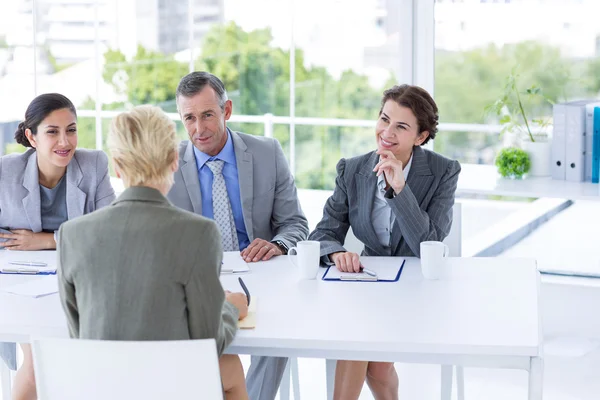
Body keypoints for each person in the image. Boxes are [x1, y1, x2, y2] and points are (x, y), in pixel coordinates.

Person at [56, 105, 249, 399]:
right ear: (174, 160)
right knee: (230, 368)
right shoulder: (199, 232)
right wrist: (231, 308)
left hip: (103, 388)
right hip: (170, 388)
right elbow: (209, 343)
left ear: (116, 166)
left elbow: (80, 335)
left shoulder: (72, 234)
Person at [308, 84, 461, 400]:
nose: (386, 132)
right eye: (384, 119)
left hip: (420, 288)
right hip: (368, 284)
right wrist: (337, 252)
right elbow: (323, 233)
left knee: (362, 349)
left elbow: (429, 243)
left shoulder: (443, 171)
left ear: (420, 136)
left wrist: (400, 190)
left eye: (401, 126)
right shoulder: (352, 170)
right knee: (365, 351)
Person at [167, 71, 309, 400]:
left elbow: (296, 224)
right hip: (195, 279)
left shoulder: (266, 152)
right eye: (189, 118)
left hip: (259, 274)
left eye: (207, 115)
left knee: (277, 335)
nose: (199, 129)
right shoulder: (168, 164)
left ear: (226, 110)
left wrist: (277, 244)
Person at [0, 93, 115, 400]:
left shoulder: (93, 165)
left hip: (82, 282)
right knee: (38, 361)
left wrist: (45, 241)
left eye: (71, 129)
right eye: (52, 131)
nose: (65, 141)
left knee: (83, 362)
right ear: (31, 136)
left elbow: (111, 231)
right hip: (23, 284)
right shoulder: (6, 172)